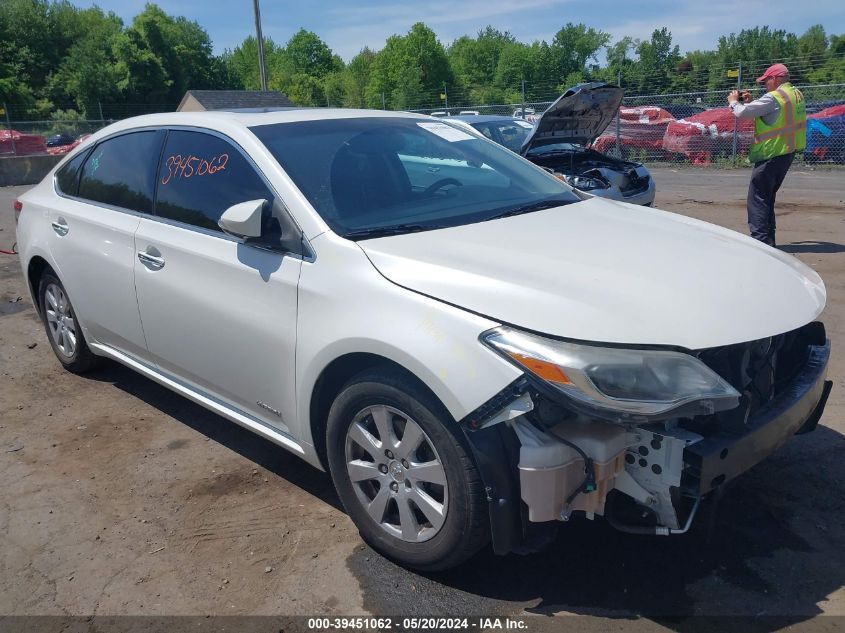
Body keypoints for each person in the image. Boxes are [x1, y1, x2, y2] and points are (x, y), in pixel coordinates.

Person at [728, 63, 806, 247]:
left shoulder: (774, 97)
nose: (765, 85)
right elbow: (772, 113)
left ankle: (761, 244)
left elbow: (742, 113)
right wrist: (752, 101)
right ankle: (768, 240)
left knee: (757, 198)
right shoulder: (795, 94)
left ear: (775, 79)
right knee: (767, 197)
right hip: (786, 152)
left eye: (766, 81)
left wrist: (733, 101)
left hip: (771, 153)